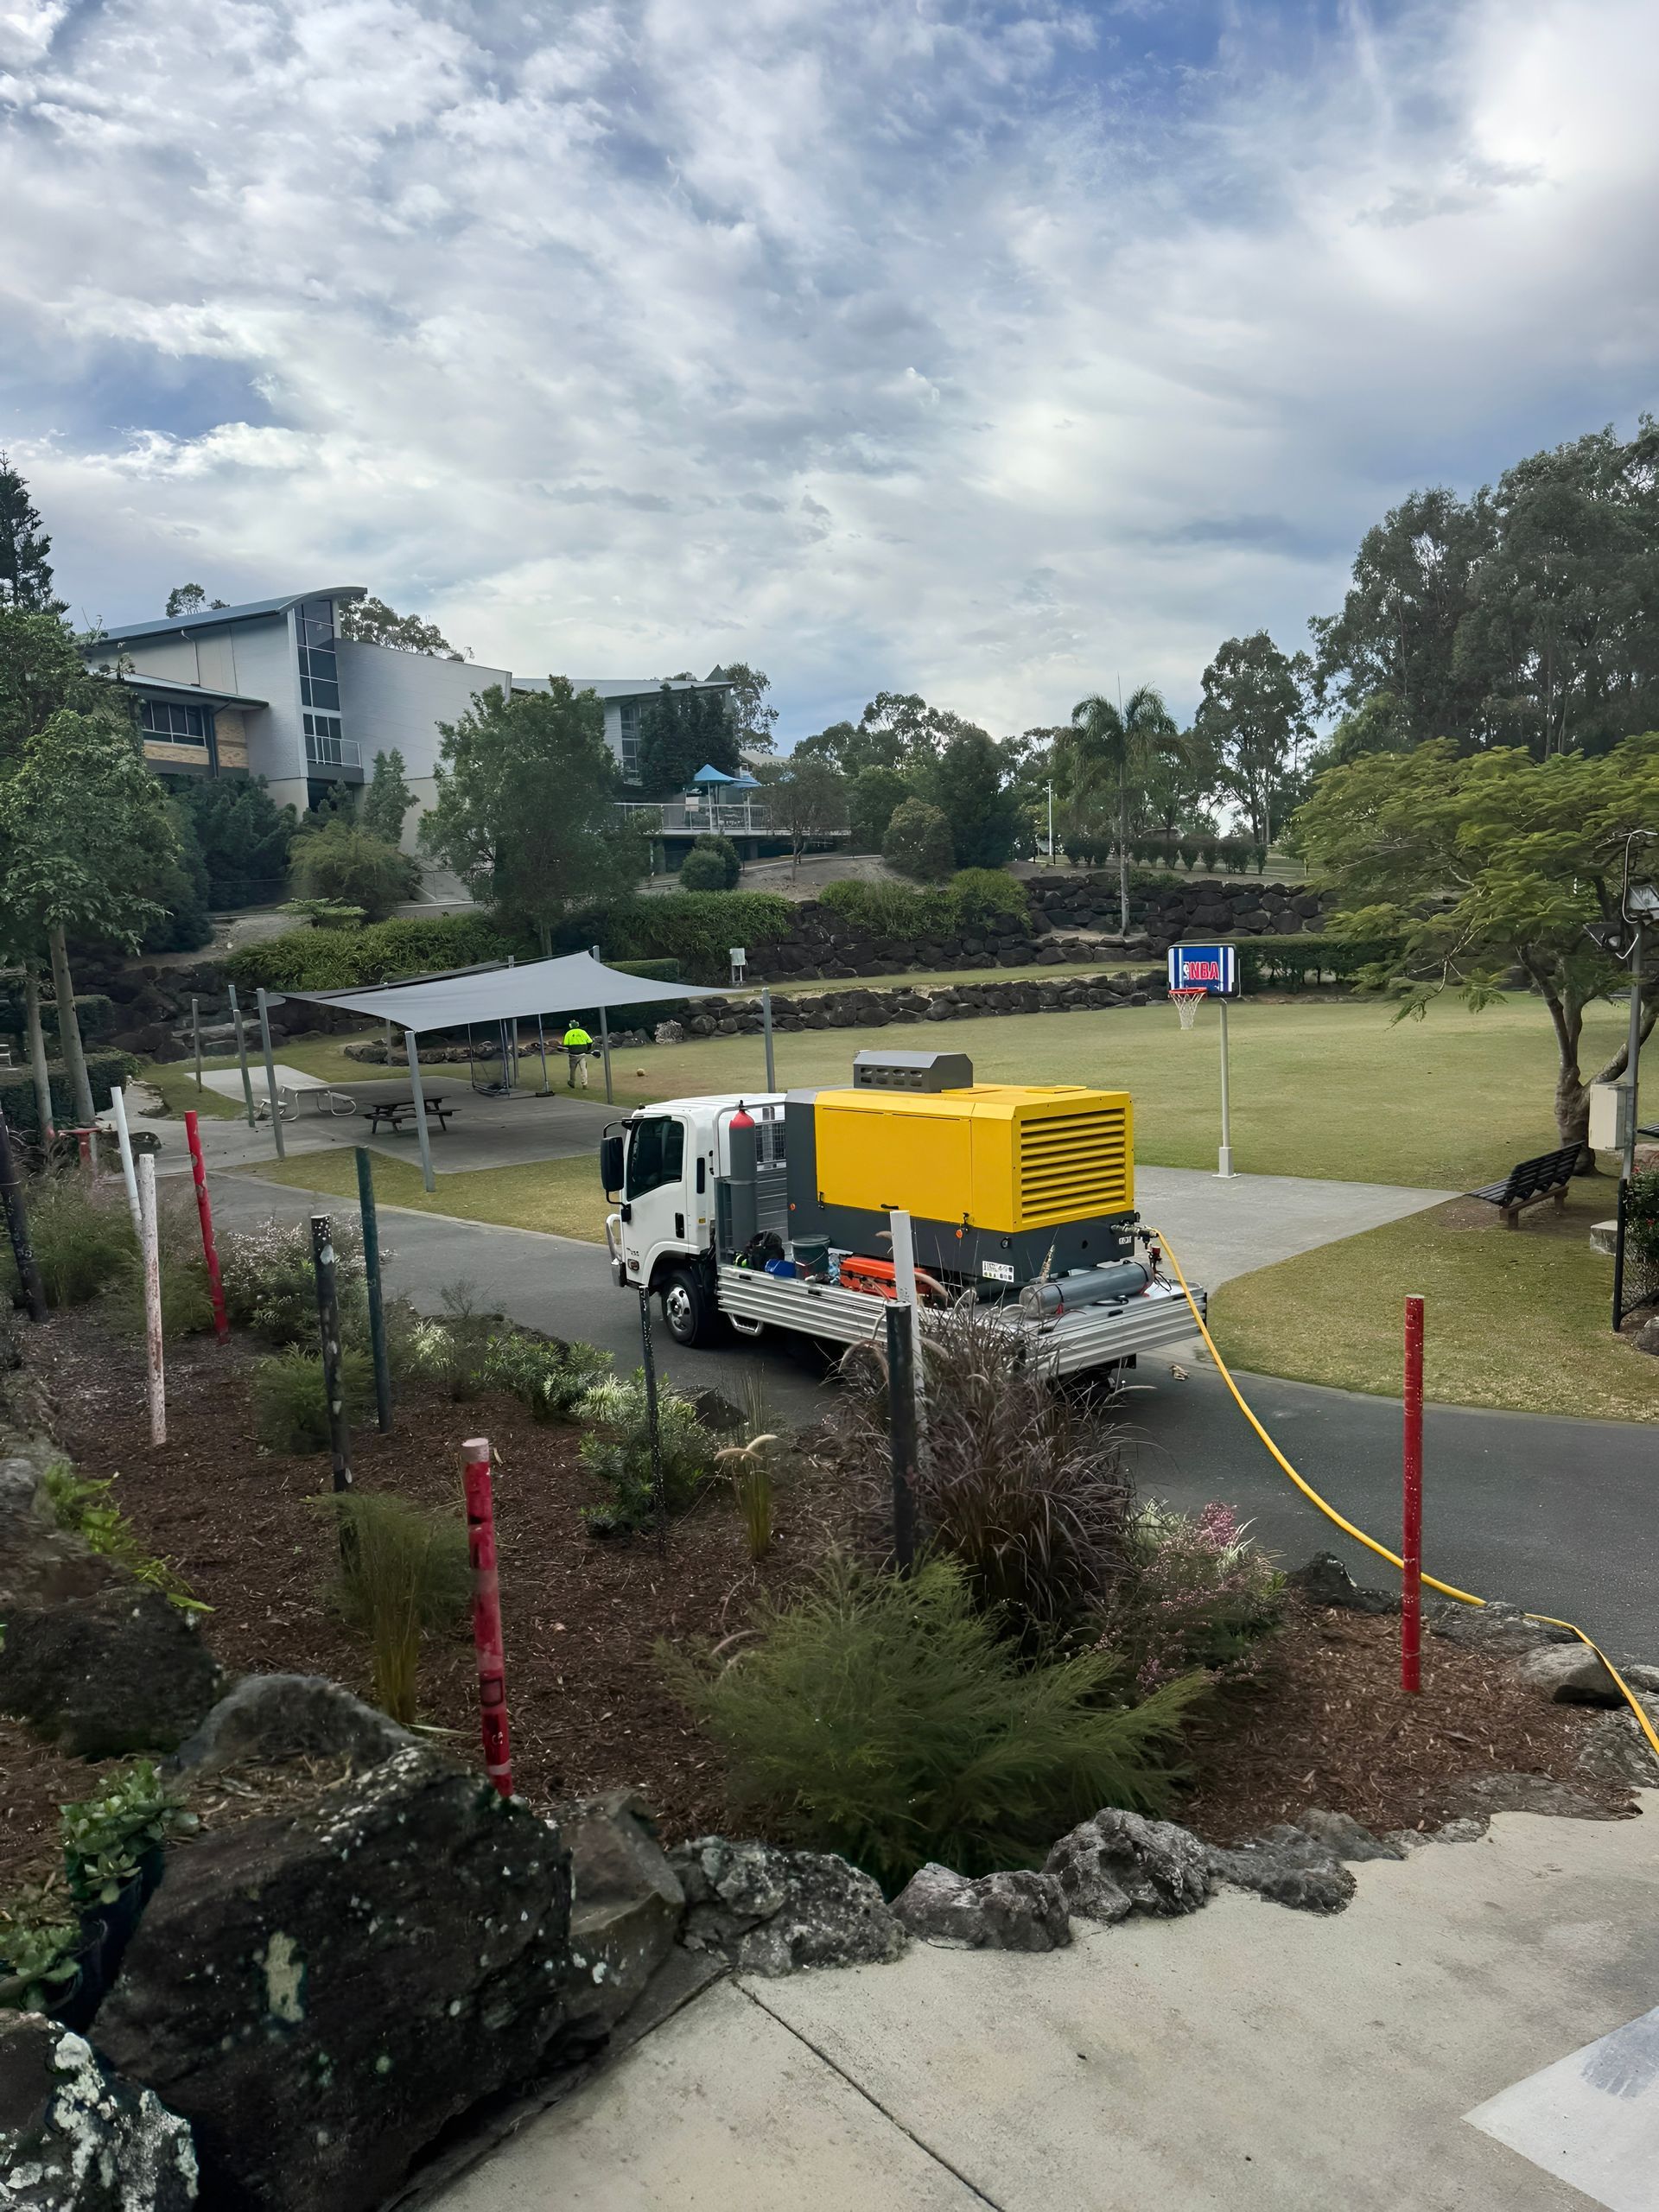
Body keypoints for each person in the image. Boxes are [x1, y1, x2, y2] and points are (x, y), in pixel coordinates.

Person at [561, 1016, 594, 1088]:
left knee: (572, 1069)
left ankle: (572, 1081)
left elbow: (566, 1044)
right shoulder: (583, 1032)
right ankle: (585, 1083)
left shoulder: (568, 1033)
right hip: (582, 1054)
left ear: (570, 1026)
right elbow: (590, 1041)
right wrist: (587, 1050)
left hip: (573, 1055)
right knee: (583, 1069)